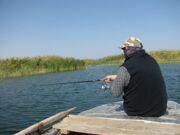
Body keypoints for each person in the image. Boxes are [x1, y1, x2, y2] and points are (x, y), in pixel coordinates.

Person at [103, 37, 167, 117]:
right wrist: (117, 77)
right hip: (160, 110)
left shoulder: (125, 67)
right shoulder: (152, 60)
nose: (123, 51)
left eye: (124, 49)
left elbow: (115, 93)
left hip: (137, 111)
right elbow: (140, 75)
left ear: (129, 49)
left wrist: (113, 84)